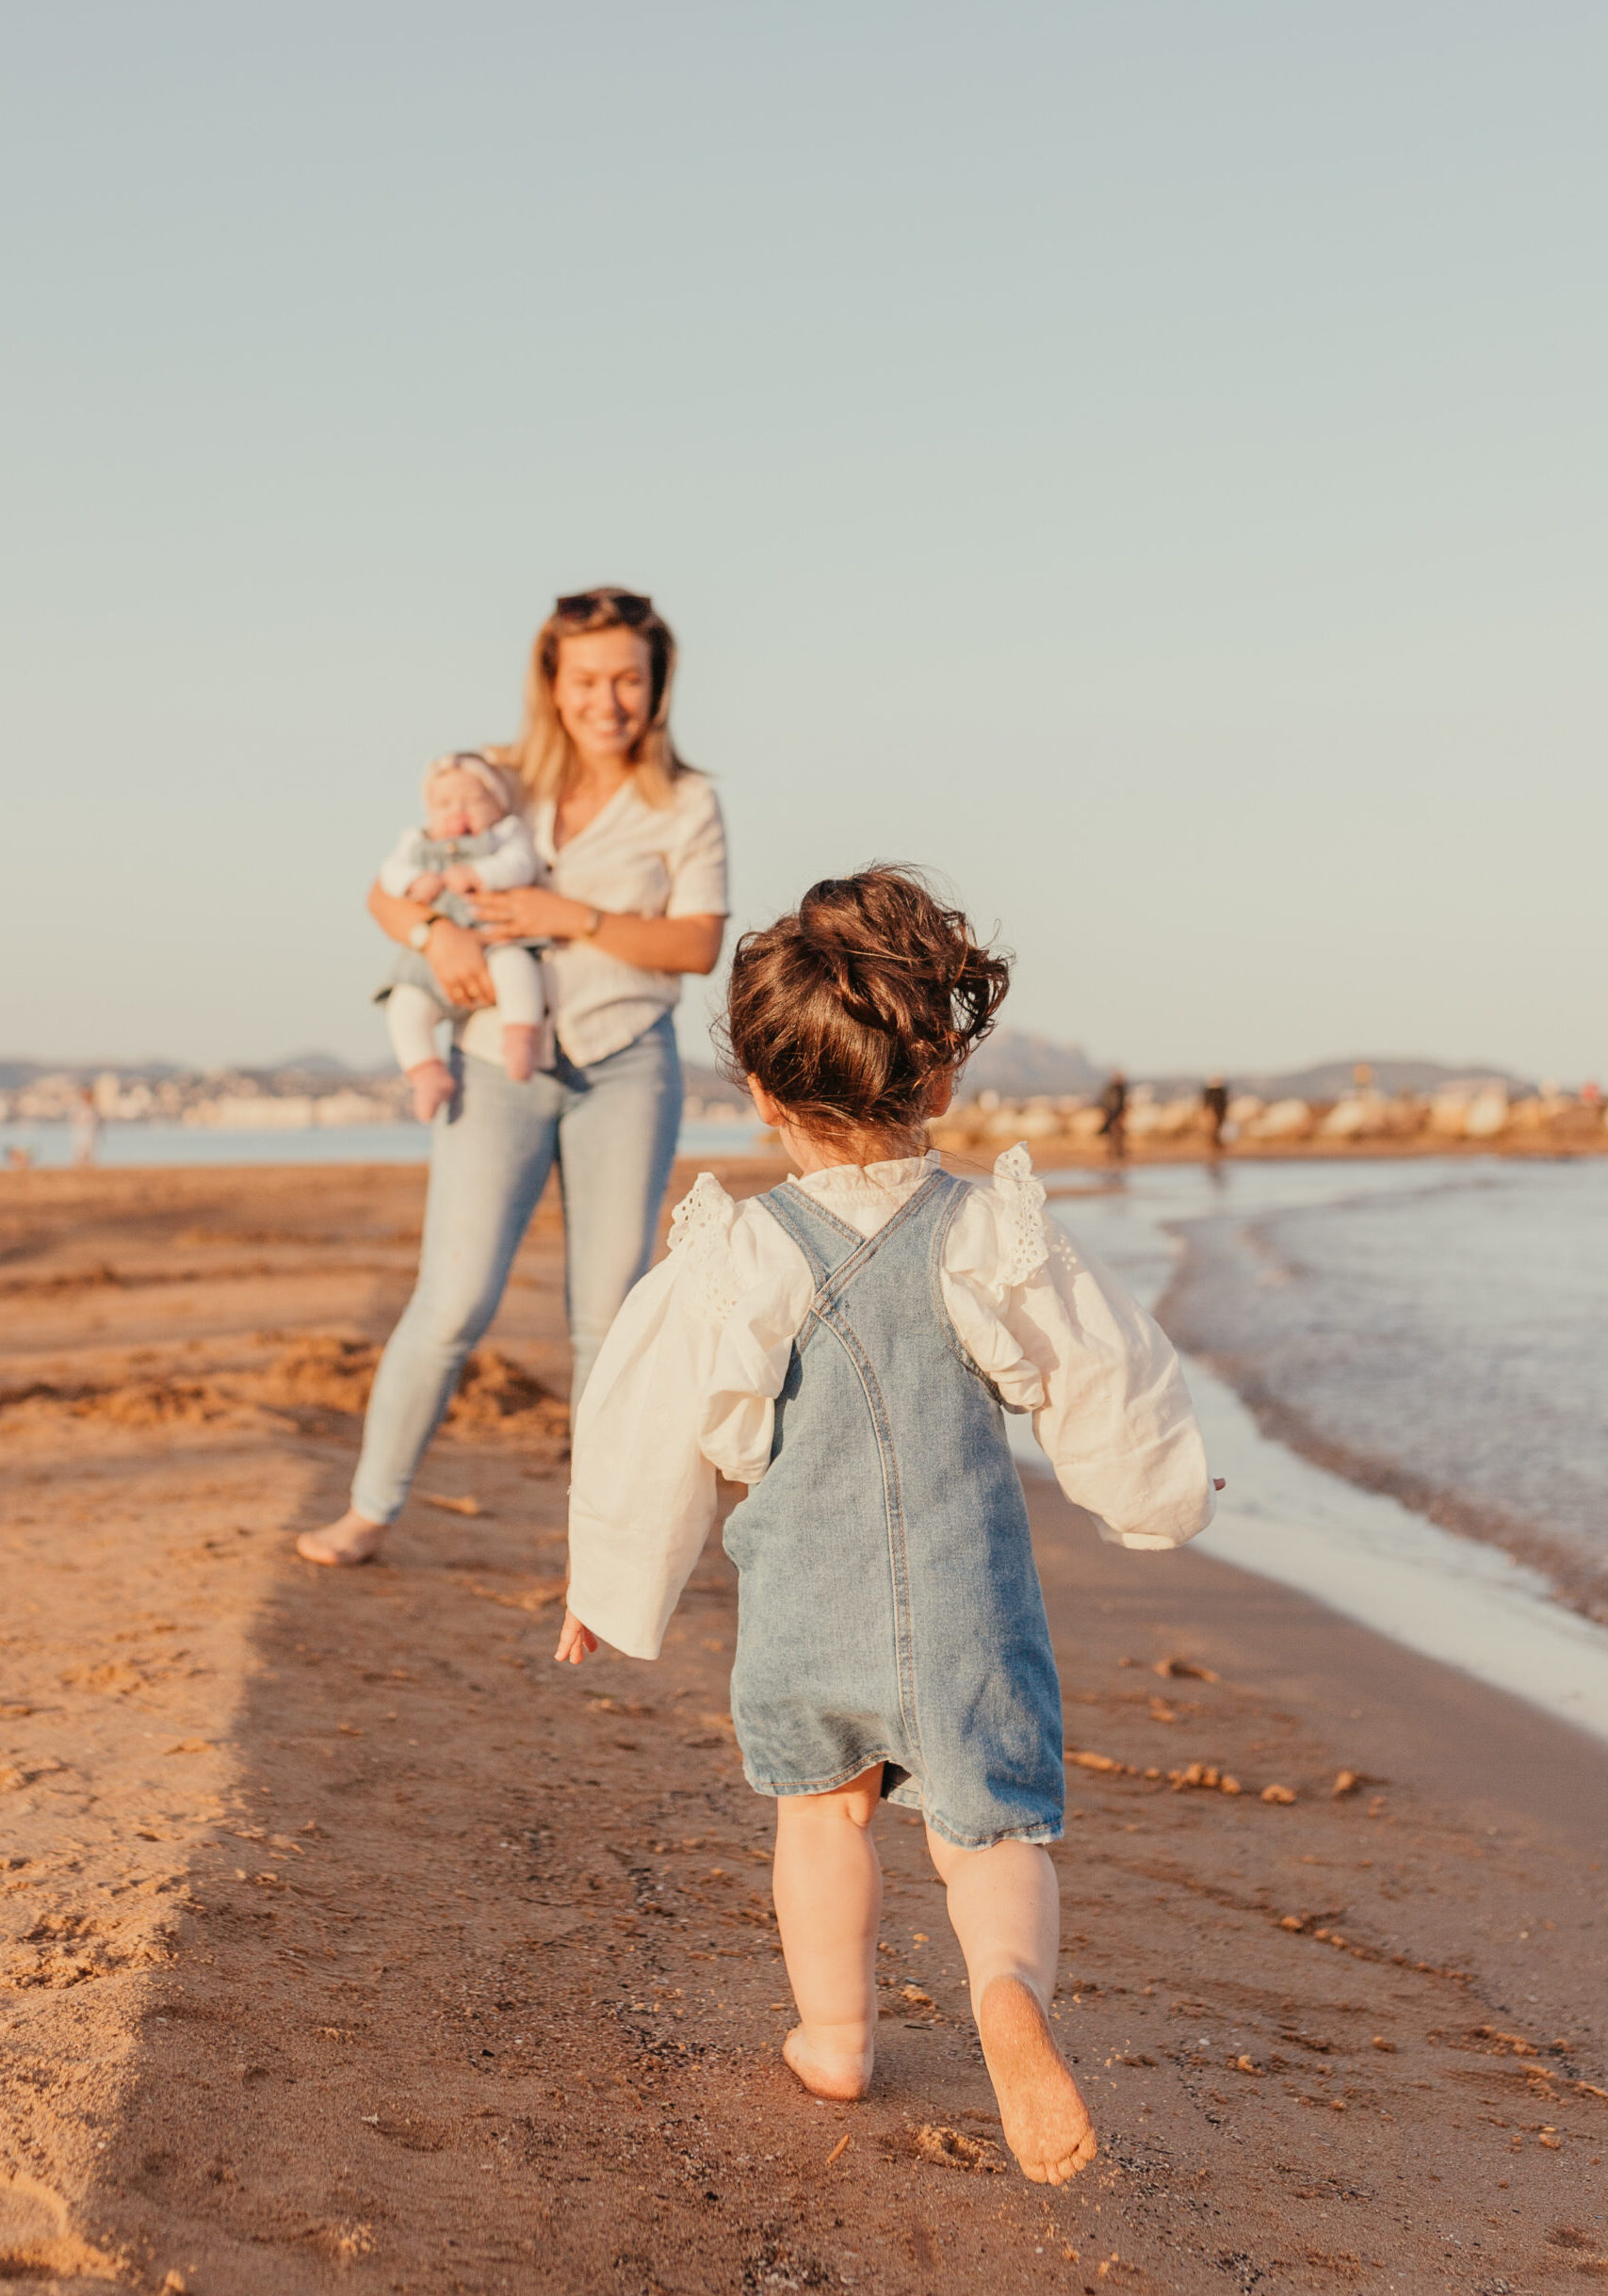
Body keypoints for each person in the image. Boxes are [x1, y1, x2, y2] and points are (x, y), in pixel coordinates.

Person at [556, 868, 1216, 2183]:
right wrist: (1157, 1495)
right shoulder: (990, 1235)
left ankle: (836, 2037)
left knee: (822, 1818)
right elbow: (1103, 1374)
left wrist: (607, 1581)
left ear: (756, 1092)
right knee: (991, 1835)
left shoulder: (736, 1256)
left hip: (806, 1609)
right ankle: (1004, 1997)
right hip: (971, 1607)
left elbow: (646, 1432)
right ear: (939, 1084)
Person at [297, 587, 727, 1568]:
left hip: (628, 1064)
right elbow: (384, 888)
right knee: (449, 1304)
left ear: (658, 684)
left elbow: (698, 942)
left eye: (627, 677)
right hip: (493, 1062)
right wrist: (435, 930)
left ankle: (601, 1548)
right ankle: (369, 1510)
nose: (606, 699)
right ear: (553, 681)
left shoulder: (689, 802)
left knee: (607, 1316)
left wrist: (563, 915)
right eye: (586, 678)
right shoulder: (491, 778)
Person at [376, 752, 547, 1119]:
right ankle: (426, 1073)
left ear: (496, 805)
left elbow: (521, 865)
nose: (457, 811)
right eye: (443, 804)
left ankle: (520, 1038)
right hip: (429, 962)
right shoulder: (415, 841)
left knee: (518, 969)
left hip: (494, 940)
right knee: (403, 1004)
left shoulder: (505, 835)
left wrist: (481, 874)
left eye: (471, 802)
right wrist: (412, 882)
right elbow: (388, 874)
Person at [1096, 1068, 1128, 1160]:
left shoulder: (1118, 1088)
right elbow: (1113, 1102)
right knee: (1114, 1133)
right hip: (1112, 1114)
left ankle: (1116, 1152)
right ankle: (1114, 1153)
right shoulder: (1114, 1088)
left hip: (1113, 1113)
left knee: (1116, 1134)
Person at [1202, 1075, 1228, 1150]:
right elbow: (1207, 1101)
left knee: (1217, 1128)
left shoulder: (1219, 1090)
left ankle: (1216, 1143)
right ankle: (1213, 1143)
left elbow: (1224, 1102)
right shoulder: (1212, 1091)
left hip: (1219, 1110)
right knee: (1213, 1128)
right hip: (1214, 1110)